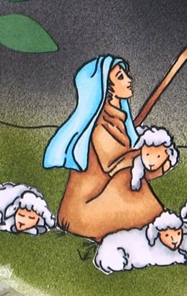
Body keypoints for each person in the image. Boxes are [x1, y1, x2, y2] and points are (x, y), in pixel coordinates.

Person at [43, 55, 169, 241]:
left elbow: (129, 161)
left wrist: (153, 159)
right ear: (107, 88)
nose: (129, 80)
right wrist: (144, 154)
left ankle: (157, 226)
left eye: (125, 74)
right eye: (120, 77)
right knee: (128, 181)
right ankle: (157, 225)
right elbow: (114, 167)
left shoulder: (117, 119)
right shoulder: (100, 126)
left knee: (132, 180)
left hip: (102, 196)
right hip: (83, 211)